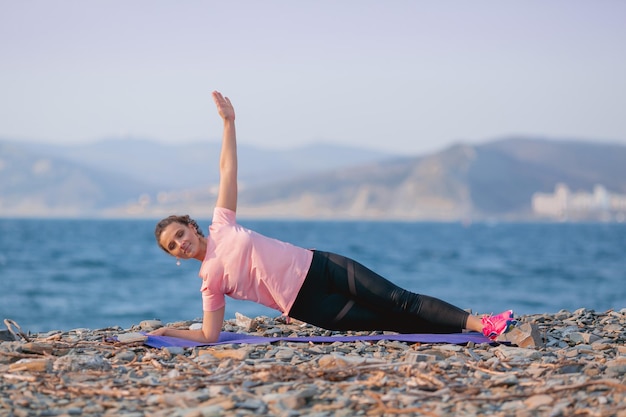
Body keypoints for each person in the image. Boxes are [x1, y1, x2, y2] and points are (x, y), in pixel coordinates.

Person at [150, 91, 517, 344]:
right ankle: (459, 331)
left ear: (191, 226)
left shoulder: (221, 224)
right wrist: (165, 334)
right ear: (174, 257)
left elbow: (226, 171)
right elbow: (208, 336)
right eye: (172, 246)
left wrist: (228, 123)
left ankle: (482, 323)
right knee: (393, 321)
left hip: (318, 264)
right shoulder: (208, 282)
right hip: (308, 305)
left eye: (179, 234)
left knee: (399, 299)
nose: (180, 244)